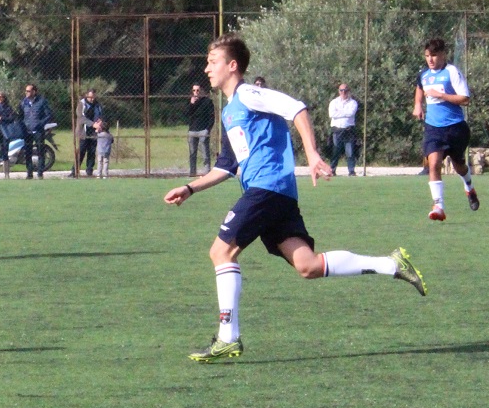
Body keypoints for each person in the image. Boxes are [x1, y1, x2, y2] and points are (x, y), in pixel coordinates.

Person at [164, 33, 426, 362]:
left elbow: (296, 108)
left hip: (267, 188)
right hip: (276, 194)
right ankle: (391, 264)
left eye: (212, 62)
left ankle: (228, 337)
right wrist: (190, 189)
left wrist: (313, 155)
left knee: (221, 251)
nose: (206, 69)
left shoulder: (249, 94)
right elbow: (227, 166)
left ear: (233, 66)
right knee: (309, 266)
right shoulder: (231, 111)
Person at [413, 37, 478, 220]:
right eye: (427, 56)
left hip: (455, 128)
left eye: (434, 55)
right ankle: (438, 206)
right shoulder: (424, 74)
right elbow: (419, 87)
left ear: (442, 55)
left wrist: (441, 95)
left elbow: (465, 99)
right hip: (434, 128)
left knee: (459, 166)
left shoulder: (452, 72)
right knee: (434, 163)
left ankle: (469, 187)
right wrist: (418, 105)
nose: (430, 60)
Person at [19, 83, 54, 179]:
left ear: (34, 92)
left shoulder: (42, 101)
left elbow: (49, 115)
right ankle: (29, 173)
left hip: (38, 131)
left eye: (29, 91)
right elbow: (20, 116)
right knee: (28, 152)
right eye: (26, 91)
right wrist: (22, 125)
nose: (27, 93)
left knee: (40, 151)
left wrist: (41, 123)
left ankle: (40, 173)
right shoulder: (23, 102)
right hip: (27, 131)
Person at [327, 82, 360, 176]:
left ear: (348, 91)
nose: (343, 92)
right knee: (335, 151)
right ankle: (332, 170)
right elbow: (332, 114)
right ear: (339, 91)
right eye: (341, 90)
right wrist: (345, 113)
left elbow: (351, 113)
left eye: (345, 90)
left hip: (348, 130)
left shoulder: (353, 102)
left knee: (350, 151)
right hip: (337, 130)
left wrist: (339, 112)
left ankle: (351, 171)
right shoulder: (334, 102)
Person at [187, 82, 215, 176]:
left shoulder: (207, 101)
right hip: (192, 130)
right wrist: (191, 104)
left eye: (198, 90)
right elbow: (186, 115)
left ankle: (207, 171)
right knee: (192, 152)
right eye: (194, 90)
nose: (196, 92)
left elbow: (211, 117)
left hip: (203, 130)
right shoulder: (190, 101)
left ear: (201, 91)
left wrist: (208, 129)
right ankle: (192, 172)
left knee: (205, 152)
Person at [77, 89, 102, 176]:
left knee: (92, 151)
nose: (92, 99)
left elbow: (101, 115)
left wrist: (100, 122)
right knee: (81, 151)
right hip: (84, 132)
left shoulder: (97, 104)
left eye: (93, 97)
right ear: (86, 96)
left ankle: (89, 171)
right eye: (90, 97)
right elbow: (81, 118)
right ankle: (75, 171)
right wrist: (93, 124)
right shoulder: (81, 104)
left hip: (94, 132)